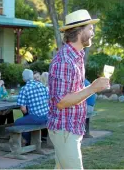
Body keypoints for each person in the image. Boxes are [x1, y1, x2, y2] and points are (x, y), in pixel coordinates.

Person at [47, 9, 110, 169]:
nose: (93, 32)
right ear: (79, 31)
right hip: (64, 130)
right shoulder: (64, 60)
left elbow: (73, 93)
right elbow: (61, 102)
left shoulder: (76, 57)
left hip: (71, 129)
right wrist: (93, 88)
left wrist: (92, 87)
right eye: (90, 28)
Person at [15, 69, 49, 145]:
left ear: (23, 78)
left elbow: (23, 109)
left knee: (17, 122)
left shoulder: (24, 89)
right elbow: (47, 101)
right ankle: (34, 139)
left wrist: (27, 113)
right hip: (47, 116)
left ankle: (28, 141)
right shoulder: (42, 85)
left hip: (36, 118)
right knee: (28, 119)